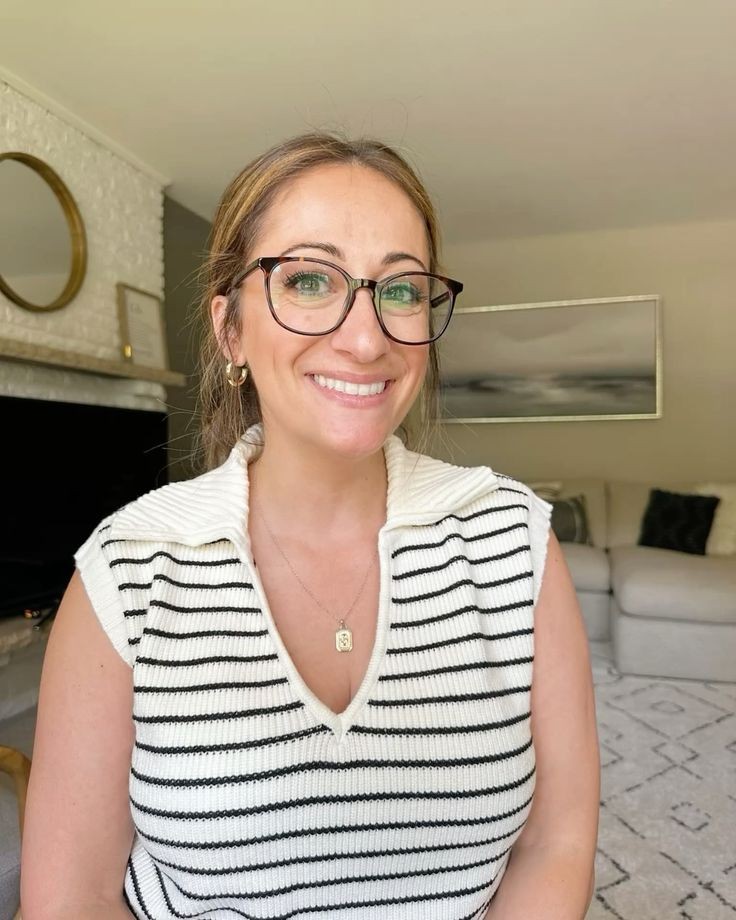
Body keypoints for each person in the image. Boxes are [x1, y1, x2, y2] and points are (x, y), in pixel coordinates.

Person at [21, 133, 600, 920]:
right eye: (307, 279)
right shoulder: (125, 572)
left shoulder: (513, 542)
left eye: (401, 290)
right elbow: (72, 899)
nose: (366, 340)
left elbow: (555, 840)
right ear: (230, 330)